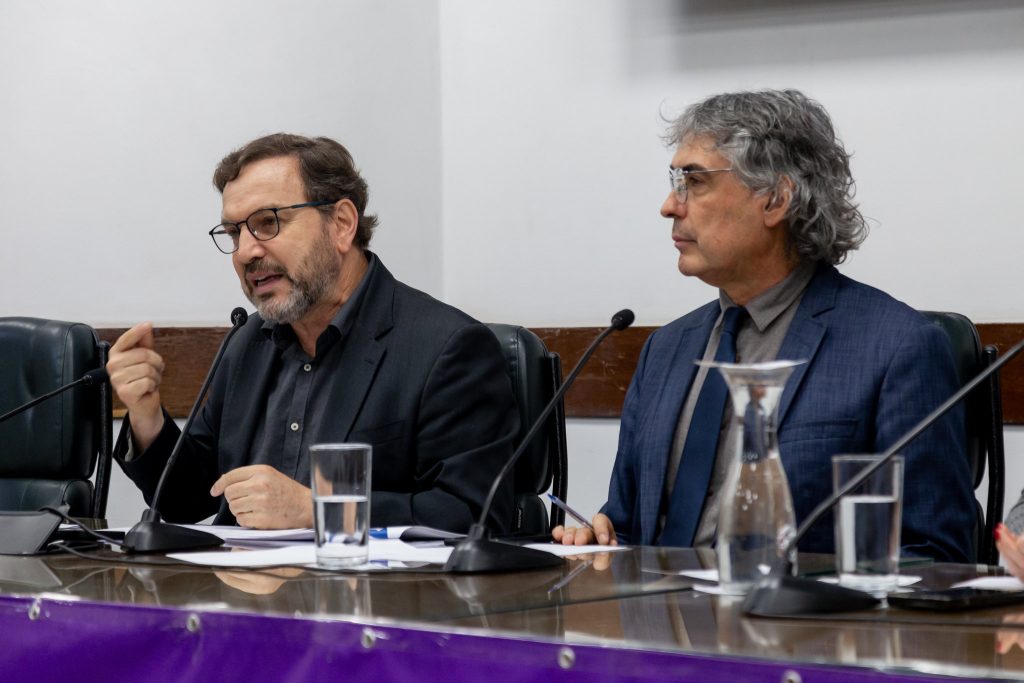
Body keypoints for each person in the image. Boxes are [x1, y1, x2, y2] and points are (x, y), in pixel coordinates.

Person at [555, 89, 975, 561]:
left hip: (795, 609)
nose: (670, 205)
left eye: (694, 181)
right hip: (654, 608)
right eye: (674, 181)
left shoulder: (897, 348)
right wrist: (601, 540)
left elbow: (937, 556)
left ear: (775, 199)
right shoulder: (665, 350)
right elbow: (627, 524)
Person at [109, 133, 518, 532]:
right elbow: (188, 499)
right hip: (243, 577)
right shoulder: (248, 342)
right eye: (234, 233)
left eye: (268, 223)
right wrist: (147, 415)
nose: (246, 251)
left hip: (365, 580)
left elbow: (475, 515)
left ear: (341, 224)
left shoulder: (445, 347)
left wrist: (319, 509)